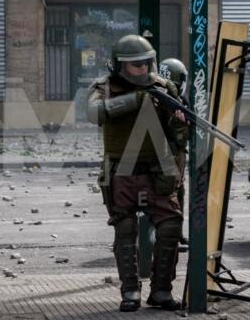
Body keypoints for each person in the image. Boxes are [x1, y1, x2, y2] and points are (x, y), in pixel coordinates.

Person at [86, 34, 188, 312]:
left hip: (158, 170)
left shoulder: (163, 87)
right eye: (136, 65)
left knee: (170, 226)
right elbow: (94, 113)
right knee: (125, 228)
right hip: (122, 170)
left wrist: (179, 123)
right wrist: (138, 99)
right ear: (120, 65)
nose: (143, 69)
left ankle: (161, 291)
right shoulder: (104, 87)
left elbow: (179, 137)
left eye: (146, 63)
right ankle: (130, 291)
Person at [158, 58, 189, 246]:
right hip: (170, 154)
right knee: (173, 194)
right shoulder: (166, 99)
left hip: (173, 154)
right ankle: (171, 235)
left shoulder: (177, 101)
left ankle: (175, 234)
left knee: (177, 193)